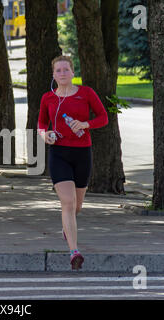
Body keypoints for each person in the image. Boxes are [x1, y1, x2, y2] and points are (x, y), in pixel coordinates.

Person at [37, 55, 108, 270]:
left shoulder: (86, 93)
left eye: (66, 69)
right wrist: (44, 135)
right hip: (58, 153)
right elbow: (41, 123)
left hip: (82, 153)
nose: (62, 73)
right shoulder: (48, 98)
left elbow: (103, 117)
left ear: (73, 72)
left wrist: (85, 124)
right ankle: (74, 252)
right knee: (67, 203)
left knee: (76, 206)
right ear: (53, 75)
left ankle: (67, 227)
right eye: (58, 70)